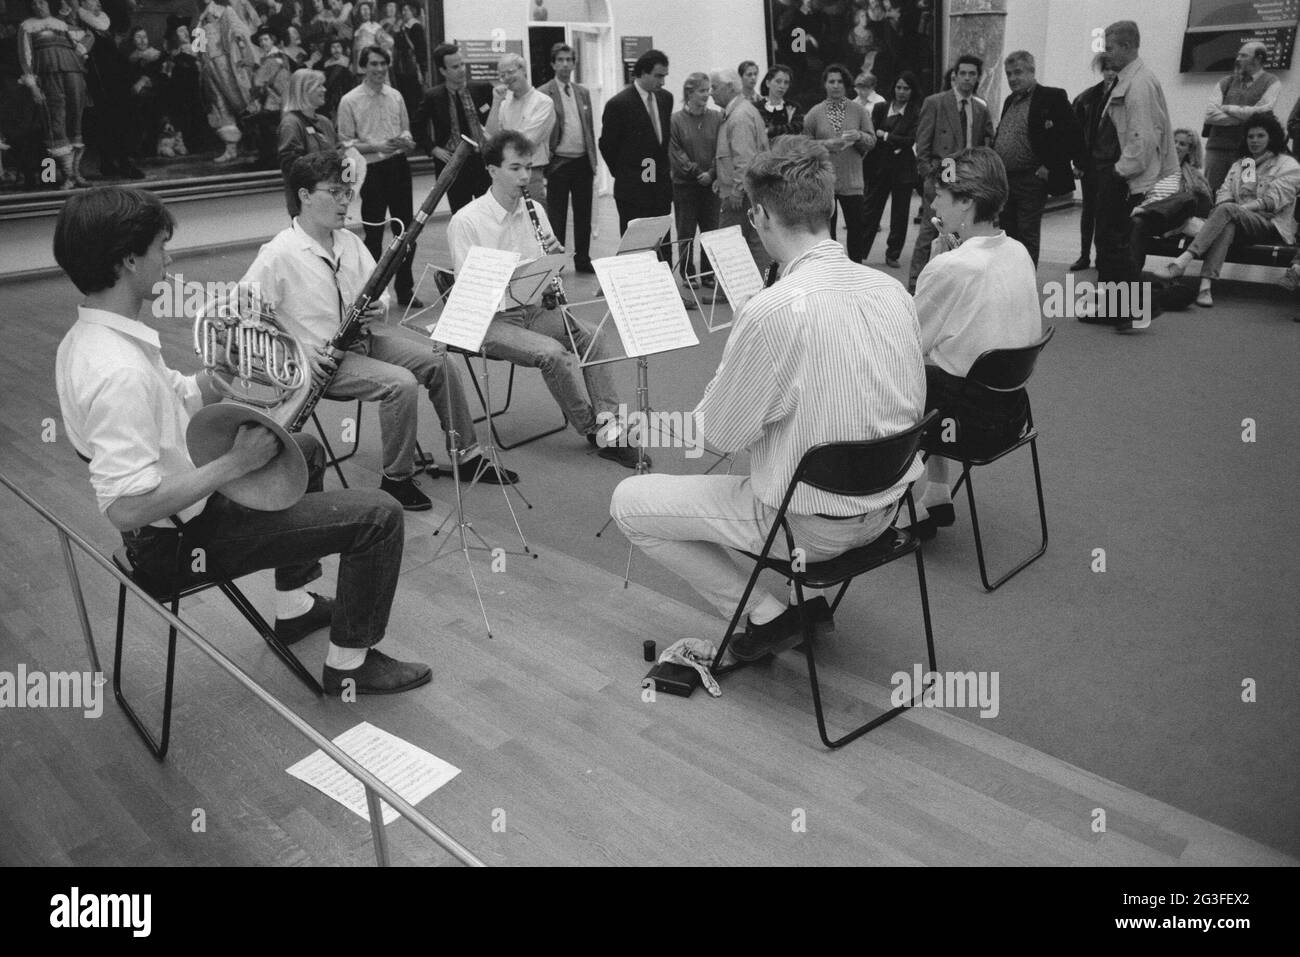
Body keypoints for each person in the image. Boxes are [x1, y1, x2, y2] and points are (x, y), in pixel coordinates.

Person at [54, 186, 431, 695]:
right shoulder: (118, 371)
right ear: (127, 260)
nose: (169, 258)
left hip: (177, 516)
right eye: (160, 247)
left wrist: (223, 371)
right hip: (176, 545)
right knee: (380, 515)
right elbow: (125, 507)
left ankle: (294, 606)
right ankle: (349, 664)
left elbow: (181, 397)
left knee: (307, 449)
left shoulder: (97, 338)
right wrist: (235, 462)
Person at [610, 137, 926, 662]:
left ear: (758, 215)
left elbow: (718, 436)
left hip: (810, 528)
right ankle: (783, 609)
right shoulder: (893, 290)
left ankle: (767, 616)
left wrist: (730, 378)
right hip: (889, 509)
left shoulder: (773, 311)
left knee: (630, 502)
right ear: (827, 207)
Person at [242, 151, 516, 510]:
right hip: (321, 363)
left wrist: (377, 308)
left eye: (347, 193)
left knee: (440, 361)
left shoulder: (350, 243)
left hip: (362, 343)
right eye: (335, 193)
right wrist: (298, 350)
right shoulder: (277, 254)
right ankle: (396, 480)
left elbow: (382, 295)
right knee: (399, 383)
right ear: (305, 196)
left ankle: (467, 456)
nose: (345, 203)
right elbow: (245, 318)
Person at [447, 131, 643, 469]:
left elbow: (550, 269)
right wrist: (516, 274)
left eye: (528, 167)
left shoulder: (534, 208)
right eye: (515, 168)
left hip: (532, 309)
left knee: (594, 336)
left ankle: (610, 422)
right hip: (489, 320)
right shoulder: (466, 221)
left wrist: (553, 264)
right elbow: (472, 292)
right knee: (553, 353)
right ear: (492, 170)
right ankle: (594, 429)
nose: (525, 176)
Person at [907, 147, 1041, 538]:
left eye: (940, 195)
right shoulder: (1018, 251)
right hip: (1011, 414)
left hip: (966, 424)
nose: (931, 202)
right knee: (941, 373)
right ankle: (935, 491)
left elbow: (908, 343)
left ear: (966, 203)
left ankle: (878, 511)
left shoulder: (952, 266)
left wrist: (934, 267)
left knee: (894, 375)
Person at [1156, 115, 1300, 308]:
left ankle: (1183, 261)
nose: (1254, 141)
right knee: (1228, 221)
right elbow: (1224, 195)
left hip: (1270, 223)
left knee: (1229, 211)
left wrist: (1238, 209)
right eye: (1250, 136)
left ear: (1271, 137)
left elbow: (1273, 201)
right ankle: (1205, 286)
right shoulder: (1244, 164)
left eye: (1260, 136)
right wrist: (1234, 209)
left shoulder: (1287, 165)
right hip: (1238, 220)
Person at [1092, 20, 1175, 314]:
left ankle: (1133, 305)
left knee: (1112, 243)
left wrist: (1117, 173)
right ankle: (1119, 307)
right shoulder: (1132, 79)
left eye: (1110, 48)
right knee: (1113, 242)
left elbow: (1142, 138)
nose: (1105, 55)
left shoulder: (1138, 84)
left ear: (1127, 46)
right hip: (1123, 176)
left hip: (1125, 178)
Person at [337, 44, 421, 307]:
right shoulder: (350, 100)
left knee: (406, 232)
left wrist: (405, 141)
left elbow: (406, 130)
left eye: (383, 64)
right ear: (363, 67)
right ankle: (370, 294)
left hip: (398, 166)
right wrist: (376, 146)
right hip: (370, 170)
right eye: (373, 64)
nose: (379, 69)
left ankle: (405, 290)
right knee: (373, 234)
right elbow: (345, 144)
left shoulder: (395, 95)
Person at [907, 54, 993, 292]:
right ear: (955, 75)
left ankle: (951, 284)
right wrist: (929, 174)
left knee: (962, 232)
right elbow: (922, 144)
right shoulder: (936, 102)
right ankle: (916, 283)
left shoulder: (980, 107)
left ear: (978, 77)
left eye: (972, 74)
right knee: (931, 228)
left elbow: (985, 142)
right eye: (962, 73)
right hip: (941, 173)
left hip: (967, 177)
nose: (967, 78)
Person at [991, 51, 1081, 268]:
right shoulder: (1010, 101)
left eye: (1018, 72)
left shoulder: (1052, 97)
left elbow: (1071, 134)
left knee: (1026, 234)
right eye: (1009, 74)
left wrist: (1050, 166)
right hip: (1006, 180)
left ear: (1032, 71)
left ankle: (1025, 286)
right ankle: (1010, 280)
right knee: (1007, 235)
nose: (1012, 78)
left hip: (1031, 179)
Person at [599, 49, 674, 257]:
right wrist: (625, 173)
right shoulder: (619, 104)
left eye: (665, 76)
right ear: (642, 73)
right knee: (637, 249)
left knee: (663, 245)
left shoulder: (665, 99)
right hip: (633, 191)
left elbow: (660, 146)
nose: (663, 82)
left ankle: (664, 284)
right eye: (659, 76)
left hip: (660, 189)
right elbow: (607, 145)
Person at [802, 63, 876, 263]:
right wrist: (826, 144)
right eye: (831, 81)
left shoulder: (859, 111)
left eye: (840, 82)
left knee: (856, 228)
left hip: (853, 182)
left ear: (846, 85)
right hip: (824, 182)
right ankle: (831, 268)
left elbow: (872, 141)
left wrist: (859, 135)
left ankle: (856, 268)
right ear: (825, 85)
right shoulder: (814, 113)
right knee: (827, 232)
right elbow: (804, 146)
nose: (835, 85)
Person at [539, 43, 599, 274]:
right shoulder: (544, 92)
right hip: (559, 162)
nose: (565, 64)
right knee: (557, 215)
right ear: (553, 64)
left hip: (582, 161)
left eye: (569, 60)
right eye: (560, 60)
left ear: (574, 63)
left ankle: (583, 259)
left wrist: (593, 161)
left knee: (584, 214)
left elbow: (589, 128)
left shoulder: (582, 92)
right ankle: (557, 262)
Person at [414, 42, 491, 212]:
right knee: (461, 214)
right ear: (443, 71)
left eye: (462, 64)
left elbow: (497, 118)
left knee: (488, 213)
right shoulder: (433, 96)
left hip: (482, 162)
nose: (462, 69)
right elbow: (417, 127)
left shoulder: (482, 89)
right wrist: (433, 149)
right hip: (453, 164)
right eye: (455, 67)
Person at [18, 0, 88, 188]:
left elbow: (82, 42)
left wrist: (82, 53)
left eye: (42, 2)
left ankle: (76, 173)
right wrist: (33, 86)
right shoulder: (27, 27)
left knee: (76, 120)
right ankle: (67, 176)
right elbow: (25, 58)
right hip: (48, 76)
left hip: (73, 73)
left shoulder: (62, 25)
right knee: (55, 122)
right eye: (34, 4)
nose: (39, 6)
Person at [711, 67, 770, 272]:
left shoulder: (739, 116)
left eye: (714, 87)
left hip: (739, 194)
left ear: (729, 87)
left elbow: (744, 159)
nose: (711, 92)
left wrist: (737, 190)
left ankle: (731, 291)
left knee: (728, 242)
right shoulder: (741, 111)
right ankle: (764, 285)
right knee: (754, 238)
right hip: (750, 188)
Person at [1203, 41, 1280, 194]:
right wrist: (1245, 117)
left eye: (1243, 55)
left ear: (1258, 59)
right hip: (1217, 149)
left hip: (1249, 152)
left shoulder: (1272, 82)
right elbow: (1210, 115)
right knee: (1211, 192)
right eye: (1238, 54)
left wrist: (1228, 108)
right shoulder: (1226, 81)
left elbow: (1264, 112)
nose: (1238, 59)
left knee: (1245, 192)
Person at [861, 70, 921, 266]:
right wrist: (891, 140)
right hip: (879, 167)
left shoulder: (915, 112)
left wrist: (886, 136)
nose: (901, 92)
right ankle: (860, 251)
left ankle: (892, 254)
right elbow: (871, 134)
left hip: (903, 169)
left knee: (900, 214)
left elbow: (910, 140)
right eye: (898, 87)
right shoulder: (880, 108)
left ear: (912, 91)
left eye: (906, 88)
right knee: (871, 210)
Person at [669, 71, 723, 287]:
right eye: (702, 90)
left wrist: (711, 173)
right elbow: (675, 150)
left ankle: (709, 274)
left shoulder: (717, 118)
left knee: (711, 231)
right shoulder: (675, 120)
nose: (707, 94)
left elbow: (721, 148)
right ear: (689, 93)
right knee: (686, 233)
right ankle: (688, 274)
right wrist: (695, 172)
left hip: (711, 185)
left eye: (708, 90)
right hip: (685, 186)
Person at [485, 51, 555, 203]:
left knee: (533, 222)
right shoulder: (503, 105)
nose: (507, 78)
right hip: (504, 173)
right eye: (502, 75)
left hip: (530, 173)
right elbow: (490, 137)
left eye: (510, 72)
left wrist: (501, 141)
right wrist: (496, 102)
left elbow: (527, 142)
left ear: (523, 70)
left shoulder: (543, 102)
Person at [1069, 54, 1118, 271]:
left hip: (1114, 165)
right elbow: (1075, 134)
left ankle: (1102, 256)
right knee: (1089, 211)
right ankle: (1084, 255)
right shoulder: (1086, 98)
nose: (1110, 73)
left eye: (1114, 69)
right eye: (1107, 68)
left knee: (1108, 214)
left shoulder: (1125, 96)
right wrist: (1077, 162)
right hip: (1091, 163)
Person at [197, 0, 258, 164]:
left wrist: (238, 44)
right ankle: (231, 149)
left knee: (241, 101)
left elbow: (240, 31)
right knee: (219, 104)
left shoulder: (225, 11)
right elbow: (199, 46)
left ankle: (259, 145)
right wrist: (201, 60)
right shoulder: (200, 19)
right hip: (209, 66)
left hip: (226, 64)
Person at [277, 69, 336, 214]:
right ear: (304, 90)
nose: (324, 89)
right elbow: (292, 166)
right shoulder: (291, 123)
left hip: (333, 203)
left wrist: (348, 182)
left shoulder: (325, 122)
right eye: (319, 86)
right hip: (307, 207)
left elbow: (340, 159)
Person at [249, 27, 293, 169]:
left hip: (276, 99)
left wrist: (254, 94)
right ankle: (269, 158)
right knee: (269, 129)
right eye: (261, 40)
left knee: (269, 129)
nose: (263, 42)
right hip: (277, 98)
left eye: (266, 39)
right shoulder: (272, 57)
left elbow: (259, 81)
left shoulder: (274, 59)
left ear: (272, 40)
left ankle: (272, 159)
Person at [757, 63, 803, 146]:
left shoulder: (794, 107)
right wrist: (787, 126)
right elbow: (759, 133)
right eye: (778, 81)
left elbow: (797, 128)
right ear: (768, 83)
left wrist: (770, 131)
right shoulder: (756, 107)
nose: (782, 86)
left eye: (786, 83)